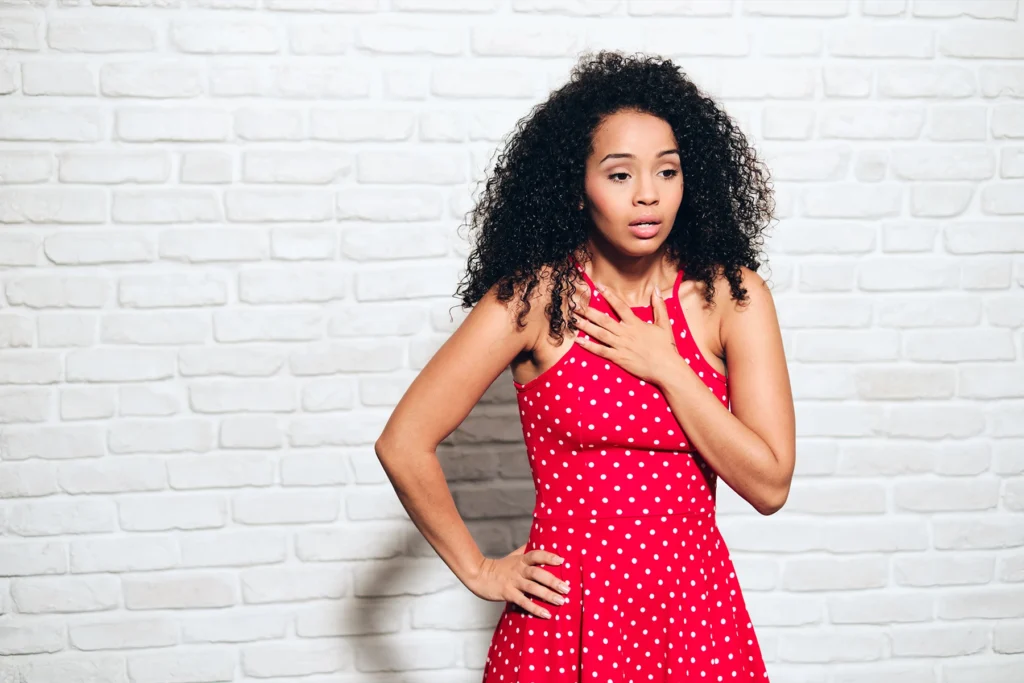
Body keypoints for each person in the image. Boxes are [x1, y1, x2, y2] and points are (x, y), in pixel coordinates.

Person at [374, 50, 794, 682]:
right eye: (620, 174)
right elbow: (403, 442)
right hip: (566, 617)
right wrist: (481, 570)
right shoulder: (536, 298)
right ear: (577, 187)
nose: (648, 194)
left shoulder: (732, 297)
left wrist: (668, 368)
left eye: (667, 170)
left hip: (693, 614)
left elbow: (770, 486)